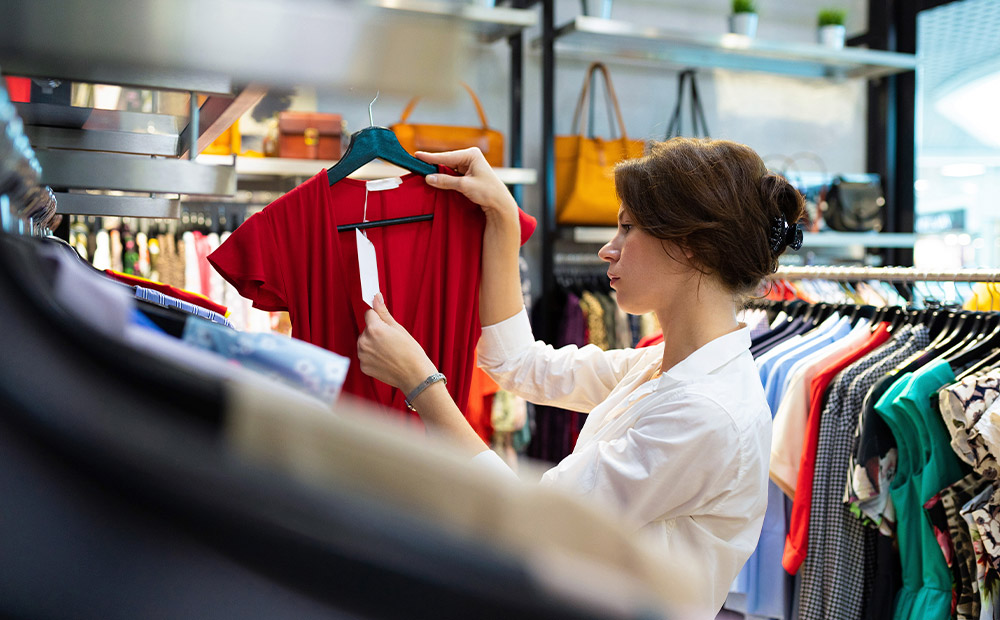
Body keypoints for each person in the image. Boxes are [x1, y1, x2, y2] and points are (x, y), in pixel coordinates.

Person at [357, 137, 806, 615]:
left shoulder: (706, 413)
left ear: (690, 247)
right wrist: (504, 218)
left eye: (627, 229)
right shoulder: (660, 367)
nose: (607, 251)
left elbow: (529, 521)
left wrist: (422, 385)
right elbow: (519, 364)